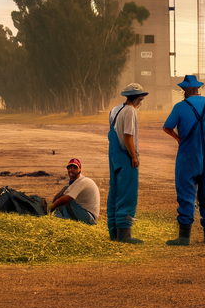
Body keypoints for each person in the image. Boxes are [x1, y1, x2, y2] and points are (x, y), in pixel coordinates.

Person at [162, 74, 205, 246]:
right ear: (198, 88)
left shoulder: (180, 107)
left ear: (186, 89)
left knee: (186, 195)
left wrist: (179, 139)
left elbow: (167, 127)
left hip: (187, 155)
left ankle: (184, 238)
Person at [107, 83, 149, 243]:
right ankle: (125, 234)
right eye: (141, 99)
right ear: (137, 98)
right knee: (127, 194)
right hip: (125, 156)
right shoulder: (130, 111)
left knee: (115, 192)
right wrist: (134, 157)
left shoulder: (114, 110)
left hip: (113, 155)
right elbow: (127, 136)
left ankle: (114, 232)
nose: (141, 102)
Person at [47, 157, 100, 225]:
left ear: (80, 170)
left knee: (64, 202)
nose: (71, 170)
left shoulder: (83, 181)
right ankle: (57, 218)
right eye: (69, 168)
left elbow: (66, 198)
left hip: (90, 218)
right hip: (85, 214)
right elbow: (59, 196)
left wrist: (52, 206)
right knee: (61, 201)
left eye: (74, 168)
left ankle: (56, 221)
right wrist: (68, 184)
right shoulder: (74, 183)